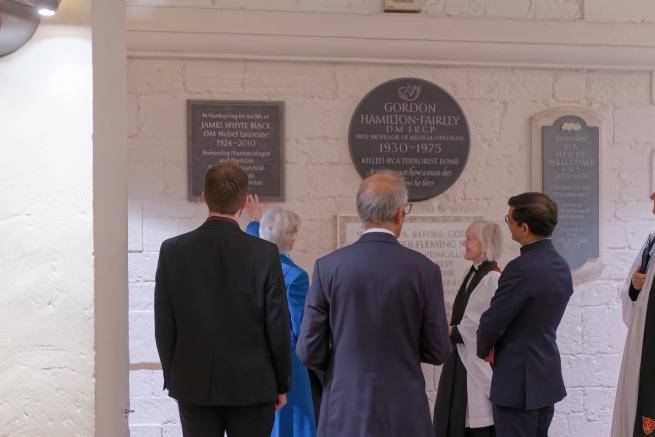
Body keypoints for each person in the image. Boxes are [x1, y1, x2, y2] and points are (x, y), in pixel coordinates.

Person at [296, 171, 452, 437]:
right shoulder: (424, 270)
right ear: (400, 214)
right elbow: (438, 350)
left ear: (361, 213)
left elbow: (308, 350)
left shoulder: (328, 268)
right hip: (405, 409)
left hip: (344, 407)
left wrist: (341, 368)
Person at [154, 163, 291, 437]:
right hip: (253, 386)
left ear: (204, 197)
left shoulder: (173, 251)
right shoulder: (264, 254)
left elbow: (164, 325)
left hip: (194, 383)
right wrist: (281, 382)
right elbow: (277, 324)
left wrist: (174, 379)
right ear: (243, 202)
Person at [476, 192, 573, 437]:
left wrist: (483, 347)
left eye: (509, 219)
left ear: (525, 227)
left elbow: (494, 319)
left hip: (517, 382)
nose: (507, 223)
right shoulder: (561, 265)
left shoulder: (521, 269)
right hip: (546, 375)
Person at [245, 197, 317, 437]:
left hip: (254, 359)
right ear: (293, 242)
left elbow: (258, 240)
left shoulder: (250, 267)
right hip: (288, 363)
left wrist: (257, 221)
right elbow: (302, 328)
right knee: (294, 424)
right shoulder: (296, 277)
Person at [434, 221, 503, 437]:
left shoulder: (492, 278)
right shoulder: (472, 272)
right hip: (459, 358)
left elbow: (478, 325)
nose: (464, 242)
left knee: (472, 421)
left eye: (469, 238)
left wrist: (446, 330)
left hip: (471, 361)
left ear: (484, 245)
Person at [611, 192, 655, 437]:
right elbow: (631, 285)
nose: (652, 212)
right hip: (644, 339)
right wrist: (635, 286)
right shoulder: (651, 241)